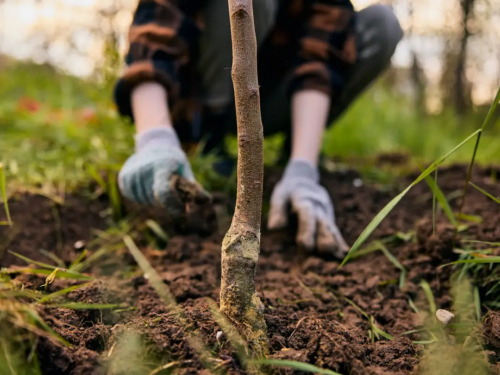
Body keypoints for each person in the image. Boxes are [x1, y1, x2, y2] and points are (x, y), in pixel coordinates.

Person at [115, 0, 403, 258]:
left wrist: (303, 168)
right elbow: (155, 33)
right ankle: (208, 142)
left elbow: (320, 58)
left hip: (272, 92)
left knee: (382, 23)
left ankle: (295, 156)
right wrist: (155, 137)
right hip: (199, 93)